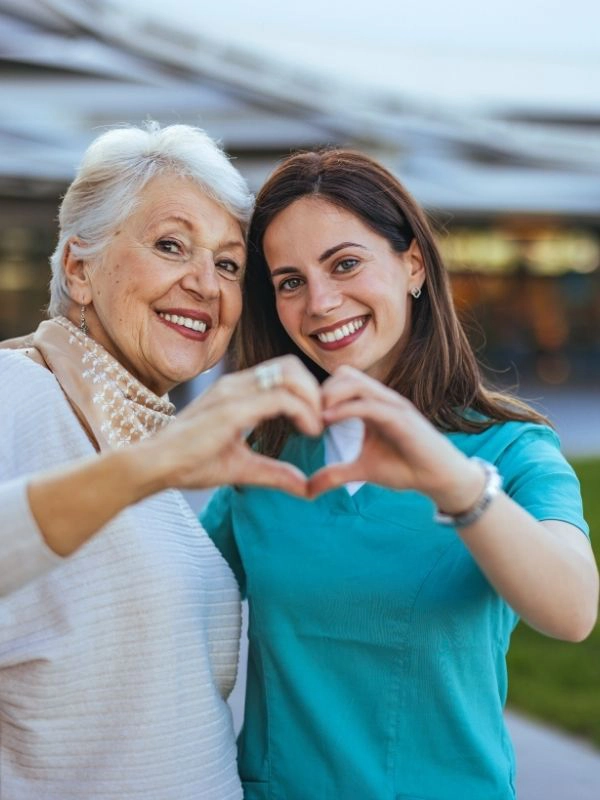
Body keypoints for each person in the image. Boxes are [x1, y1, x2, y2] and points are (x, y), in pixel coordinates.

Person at [201, 149, 599, 800]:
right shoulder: (264, 453)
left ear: (412, 264)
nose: (322, 302)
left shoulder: (510, 450)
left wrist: (454, 483)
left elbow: (574, 610)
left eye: (345, 263)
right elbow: (162, 595)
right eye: (290, 281)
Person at [0, 123, 324, 800]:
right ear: (78, 270)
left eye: (229, 264)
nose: (205, 284)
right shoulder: (18, 389)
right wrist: (154, 465)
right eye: (171, 245)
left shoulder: (143, 443)